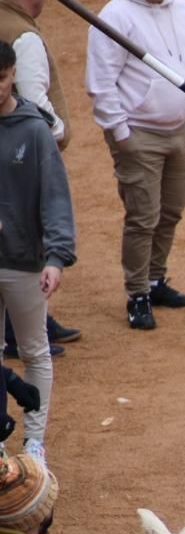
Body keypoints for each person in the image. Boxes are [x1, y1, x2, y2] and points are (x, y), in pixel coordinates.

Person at [85, 0, 185, 331]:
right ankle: (137, 294)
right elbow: (100, 83)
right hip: (138, 133)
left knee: (172, 208)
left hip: (179, 131)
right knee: (143, 216)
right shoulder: (114, 18)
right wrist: (122, 134)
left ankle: (156, 279)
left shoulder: (183, 8)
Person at [0, 0, 80, 358]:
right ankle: (25, 328)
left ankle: (33, 322)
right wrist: (57, 132)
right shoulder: (25, 37)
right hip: (22, 150)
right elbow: (33, 101)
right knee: (27, 231)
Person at [0, 39, 74, 470]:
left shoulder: (34, 130)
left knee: (33, 351)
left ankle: (33, 442)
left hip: (25, 262)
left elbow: (55, 197)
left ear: (13, 75)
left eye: (1, 79)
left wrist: (56, 258)